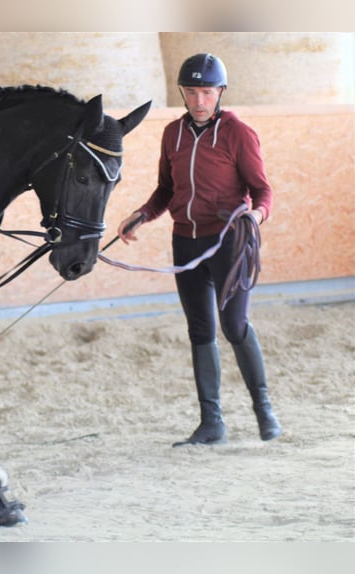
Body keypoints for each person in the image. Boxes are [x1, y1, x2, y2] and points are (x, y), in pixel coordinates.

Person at [117, 52, 282, 446]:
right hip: (185, 241)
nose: (199, 101)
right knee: (201, 330)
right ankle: (212, 423)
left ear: (220, 92)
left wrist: (256, 216)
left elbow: (263, 190)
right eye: (191, 93)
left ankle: (264, 410)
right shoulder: (172, 134)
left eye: (206, 92)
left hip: (228, 241)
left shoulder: (237, 133)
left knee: (234, 327)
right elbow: (166, 190)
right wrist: (141, 214)